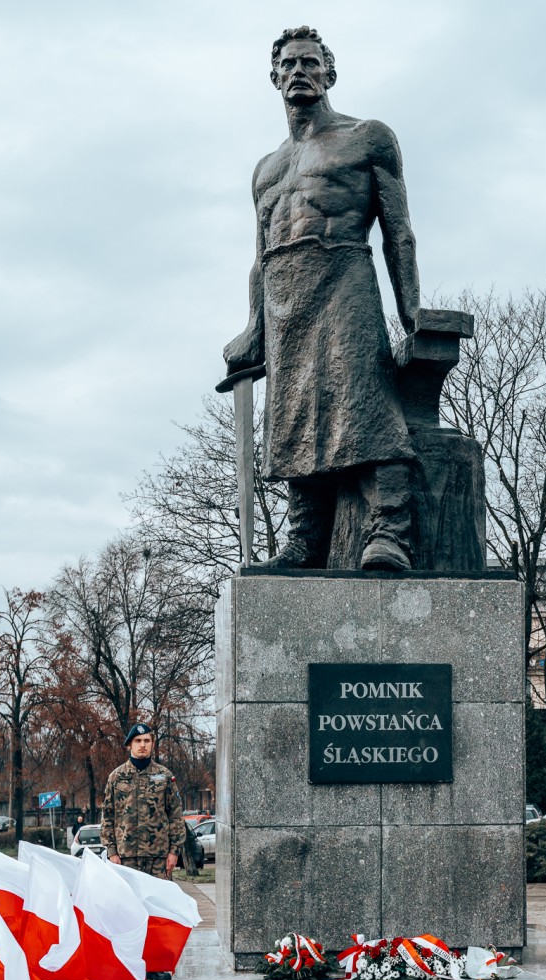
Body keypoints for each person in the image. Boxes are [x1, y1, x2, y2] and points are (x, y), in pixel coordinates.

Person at [223, 25, 420, 572]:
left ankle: (390, 531)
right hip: (285, 299)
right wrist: (254, 328)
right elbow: (260, 256)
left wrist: (411, 311)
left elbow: (398, 230)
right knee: (293, 419)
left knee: (366, 401)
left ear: (329, 73)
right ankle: (305, 539)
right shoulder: (266, 169)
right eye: (288, 65)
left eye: (309, 63)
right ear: (274, 78)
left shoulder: (367, 137)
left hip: (343, 276)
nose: (299, 73)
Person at [101, 724, 186, 980]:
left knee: (156, 912)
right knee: (126, 912)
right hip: (125, 858)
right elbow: (108, 816)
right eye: (138, 741)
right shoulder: (116, 777)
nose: (142, 745)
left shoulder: (165, 776)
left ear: (152, 744)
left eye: (147, 740)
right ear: (129, 744)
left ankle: (154, 964)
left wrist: (174, 851)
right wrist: (112, 851)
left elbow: (175, 815)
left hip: (158, 858)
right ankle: (126, 962)